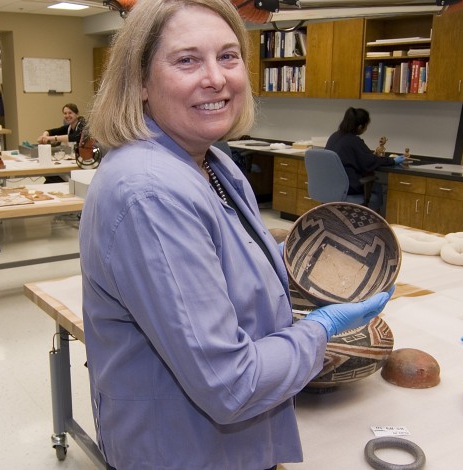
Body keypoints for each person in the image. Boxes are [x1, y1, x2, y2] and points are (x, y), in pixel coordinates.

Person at [80, 0, 393, 468]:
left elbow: (220, 255)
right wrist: (319, 332)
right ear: (140, 82)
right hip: (183, 450)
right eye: (187, 60)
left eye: (228, 56)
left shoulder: (211, 160)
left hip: (229, 442)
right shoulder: (150, 192)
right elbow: (231, 384)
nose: (216, 77)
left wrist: (298, 253)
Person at [325, 107, 403, 213]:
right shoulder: (353, 141)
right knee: (377, 186)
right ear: (360, 126)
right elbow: (370, 161)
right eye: (366, 126)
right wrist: (392, 161)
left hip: (331, 186)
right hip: (348, 188)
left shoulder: (334, 136)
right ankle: (374, 222)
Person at [38, 103, 85, 183]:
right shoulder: (69, 127)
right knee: (49, 176)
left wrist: (52, 138)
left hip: (84, 164)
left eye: (70, 113)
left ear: (76, 114)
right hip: (75, 161)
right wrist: (44, 136)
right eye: (65, 113)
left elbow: (74, 137)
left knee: (53, 177)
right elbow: (52, 131)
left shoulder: (82, 124)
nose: (67, 115)